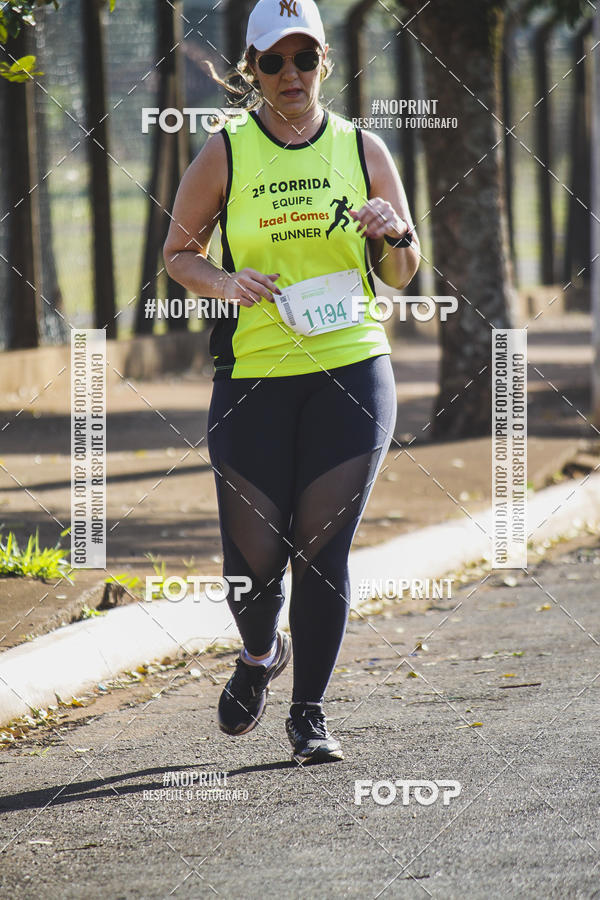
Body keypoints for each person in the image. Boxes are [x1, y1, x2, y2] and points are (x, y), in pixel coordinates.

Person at [163, 0, 420, 765]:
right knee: (253, 558)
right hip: (254, 376)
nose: (291, 75)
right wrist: (225, 282)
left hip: (352, 369)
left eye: (304, 59)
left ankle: (309, 714)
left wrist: (394, 234)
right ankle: (257, 656)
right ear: (252, 71)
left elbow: (404, 275)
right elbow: (179, 255)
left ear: (324, 67)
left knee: (321, 546)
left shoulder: (364, 148)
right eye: (273, 62)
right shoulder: (224, 153)